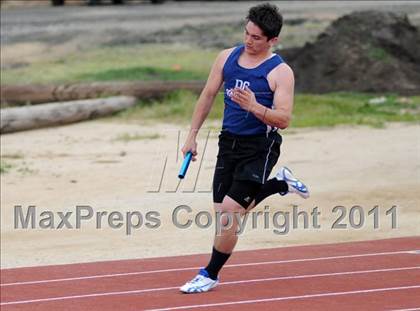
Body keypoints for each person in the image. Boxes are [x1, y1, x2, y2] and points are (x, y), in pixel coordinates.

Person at [179, 3, 309, 294]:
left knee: (230, 212)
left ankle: (209, 274)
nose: (249, 41)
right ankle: (279, 184)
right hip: (228, 143)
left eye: (257, 37)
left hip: (260, 147)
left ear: (272, 39)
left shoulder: (281, 72)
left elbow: (284, 119)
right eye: (247, 33)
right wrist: (191, 136)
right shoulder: (227, 57)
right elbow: (208, 94)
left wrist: (253, 106)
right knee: (225, 219)